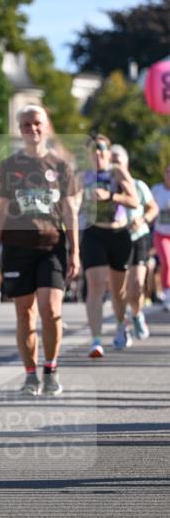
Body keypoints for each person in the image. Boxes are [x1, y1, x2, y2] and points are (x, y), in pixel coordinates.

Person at [0, 105, 80, 396]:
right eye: (26, 124)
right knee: (25, 314)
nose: (32, 129)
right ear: (20, 129)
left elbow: (70, 212)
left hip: (52, 247)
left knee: (50, 311)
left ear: (47, 126)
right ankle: (30, 376)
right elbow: (1, 212)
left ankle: (50, 369)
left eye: (37, 123)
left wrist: (75, 251)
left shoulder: (61, 167)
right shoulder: (9, 166)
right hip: (17, 247)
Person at [80, 134, 139, 356]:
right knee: (95, 285)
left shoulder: (117, 172)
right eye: (93, 150)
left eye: (101, 149)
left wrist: (111, 196)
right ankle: (96, 340)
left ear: (107, 151)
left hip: (119, 234)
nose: (98, 153)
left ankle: (120, 325)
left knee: (118, 291)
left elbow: (134, 200)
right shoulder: (82, 176)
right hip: (93, 233)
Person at [110, 145, 158, 339]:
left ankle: (137, 314)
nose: (115, 166)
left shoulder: (138, 185)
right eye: (111, 161)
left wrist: (143, 219)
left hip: (137, 237)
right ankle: (121, 325)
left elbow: (152, 208)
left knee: (136, 285)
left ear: (126, 163)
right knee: (119, 290)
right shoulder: (104, 187)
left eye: (118, 161)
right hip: (114, 239)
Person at [151, 163, 170, 312]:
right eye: (168, 172)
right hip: (161, 233)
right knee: (167, 262)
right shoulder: (157, 190)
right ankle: (167, 293)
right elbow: (149, 208)